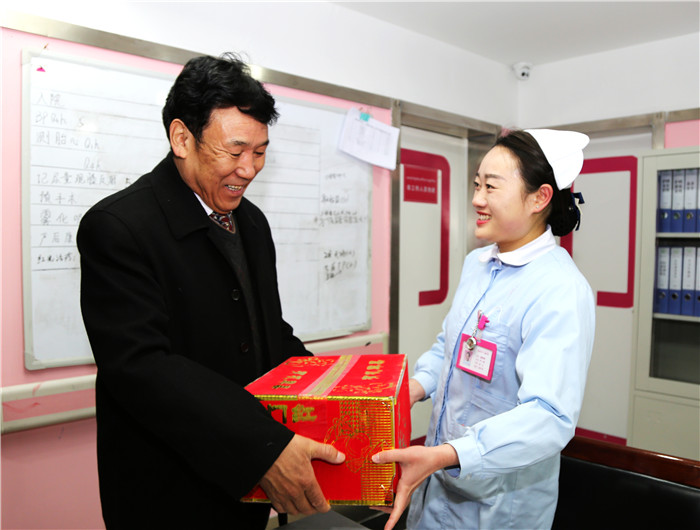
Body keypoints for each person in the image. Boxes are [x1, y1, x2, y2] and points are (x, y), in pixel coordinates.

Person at [77, 53, 344, 530]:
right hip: (168, 488)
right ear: (182, 138)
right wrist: (263, 446)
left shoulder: (252, 223)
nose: (249, 169)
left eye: (260, 152)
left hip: (247, 481)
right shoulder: (119, 227)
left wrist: (338, 391)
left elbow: (267, 331)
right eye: (235, 151)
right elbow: (142, 367)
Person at [372, 128, 595, 529]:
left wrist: (448, 455)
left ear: (540, 198)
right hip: (439, 484)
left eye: (491, 187)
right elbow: (450, 347)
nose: (477, 198)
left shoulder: (560, 289)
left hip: (498, 506)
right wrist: (412, 390)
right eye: (477, 185)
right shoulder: (477, 265)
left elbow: (548, 416)